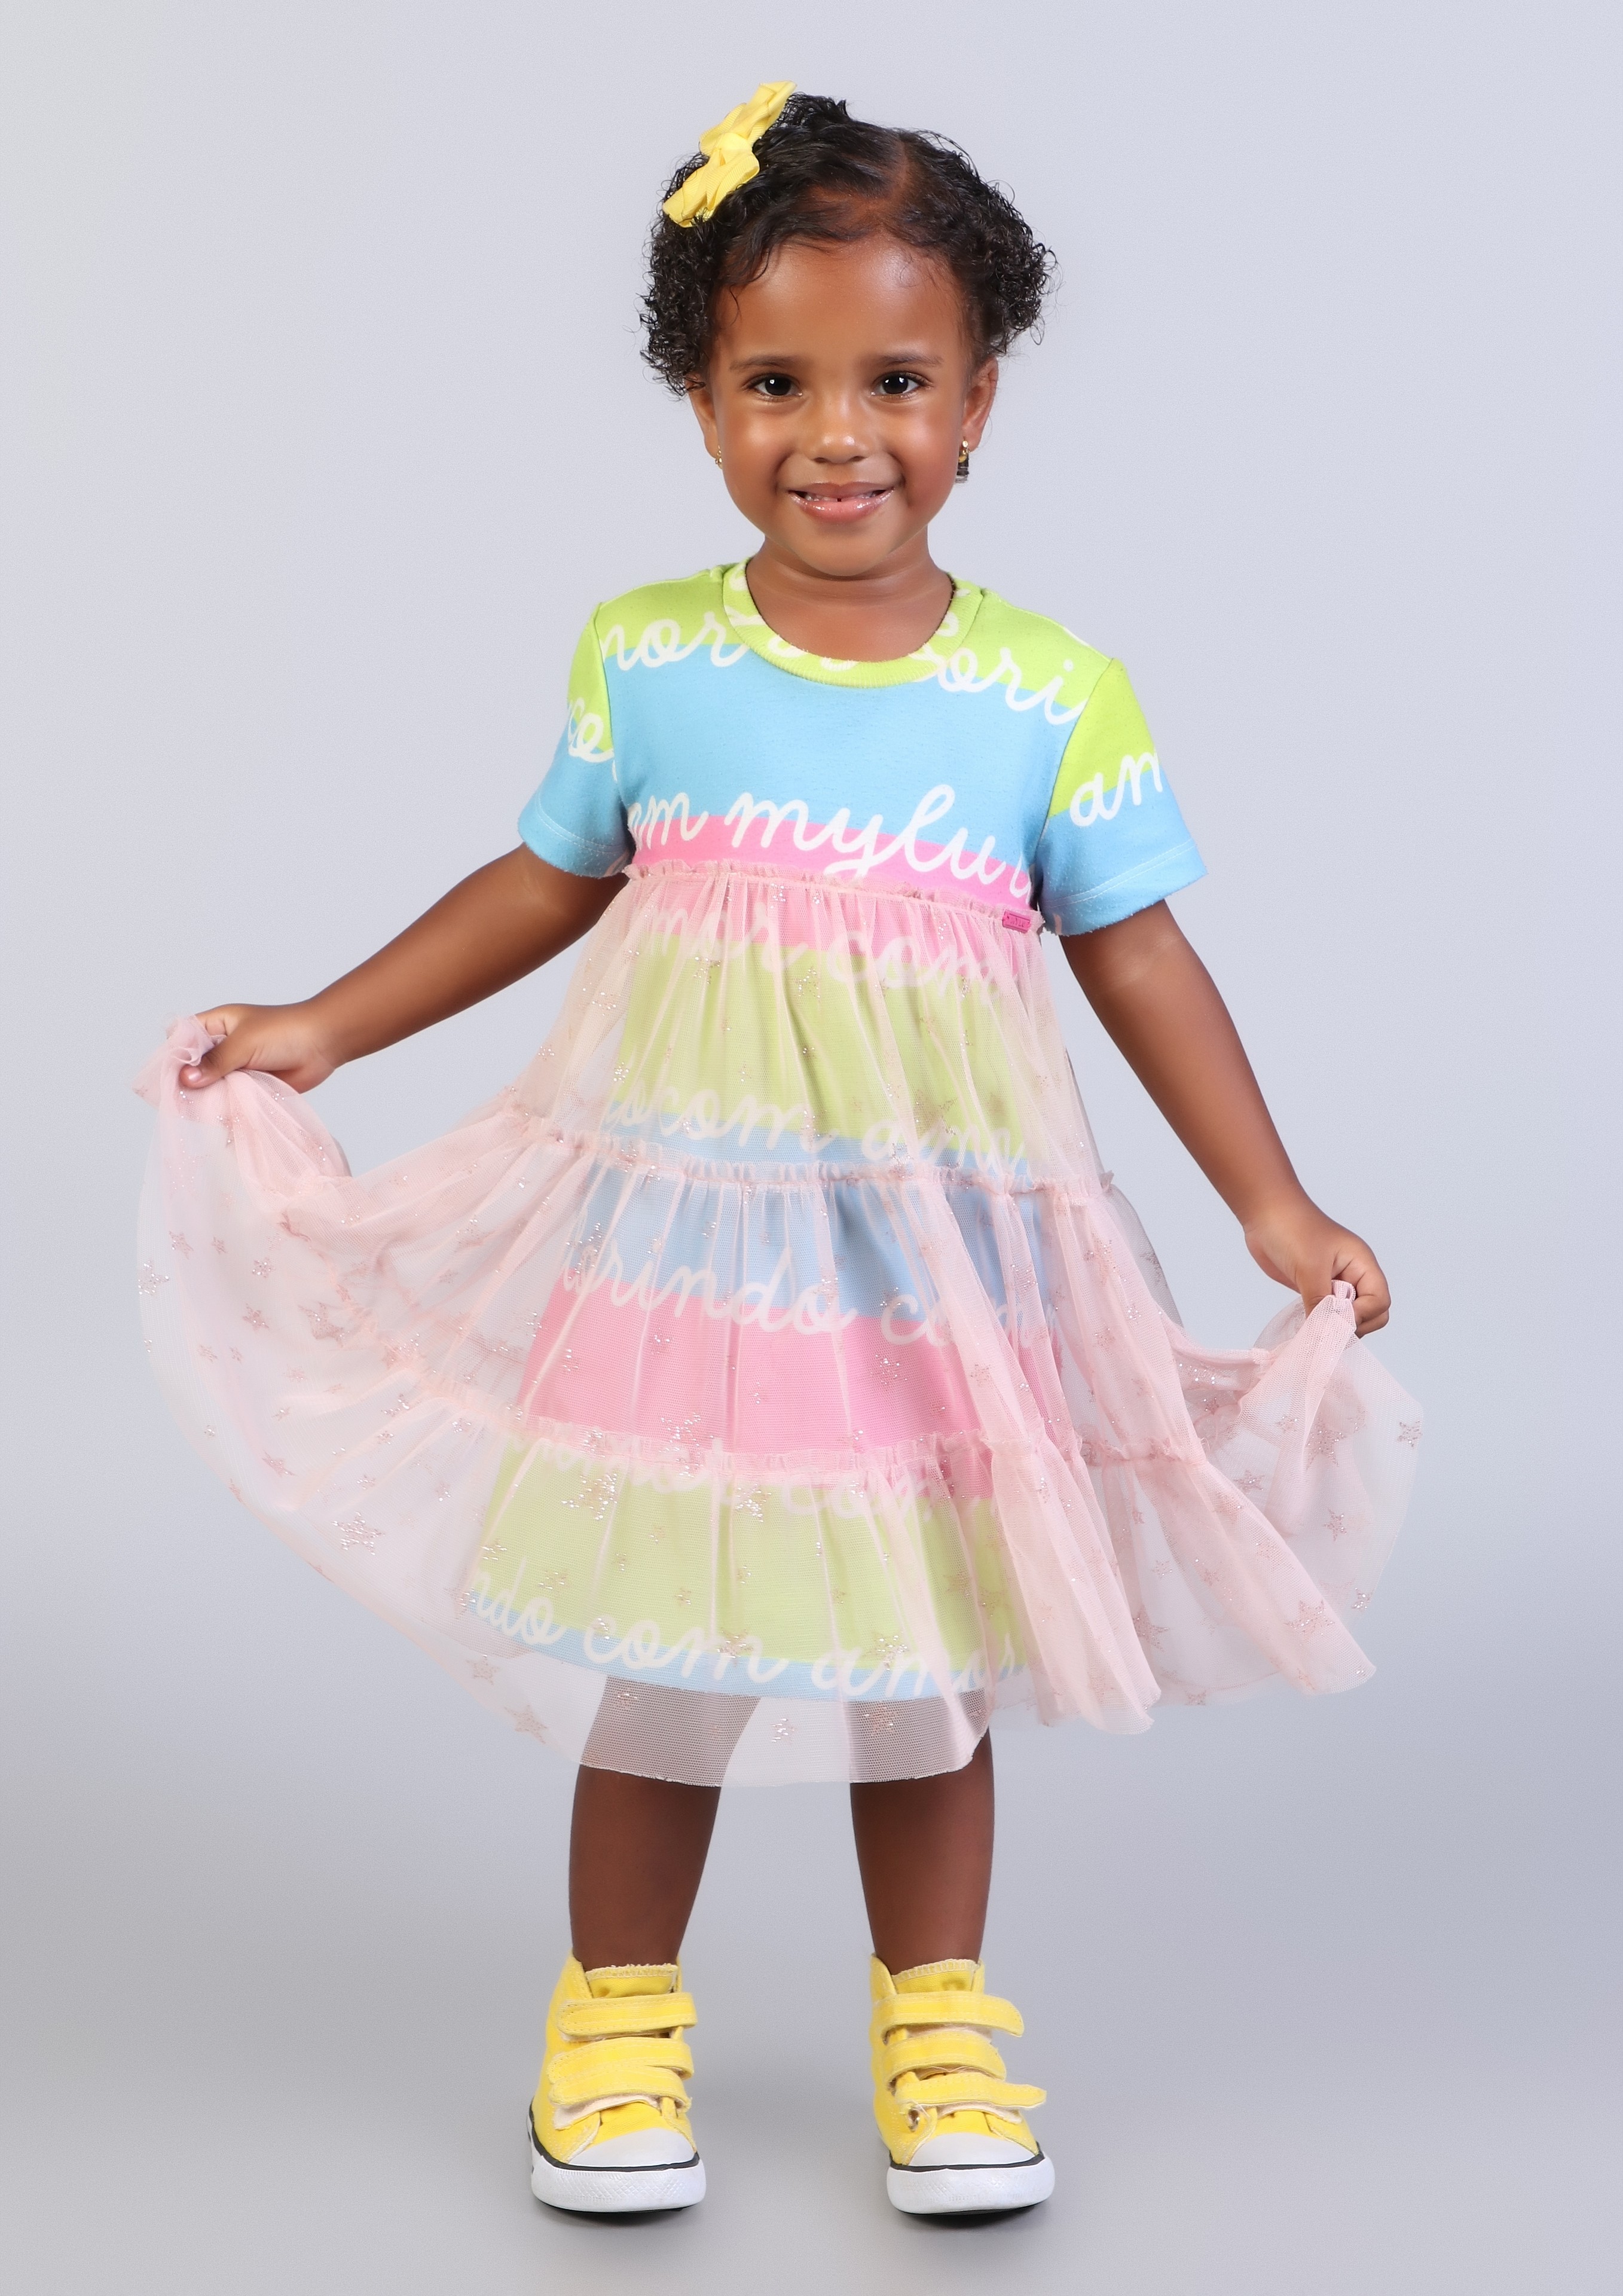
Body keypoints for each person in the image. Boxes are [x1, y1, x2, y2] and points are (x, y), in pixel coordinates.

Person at [137, 84, 1420, 2219]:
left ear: (980, 401)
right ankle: (614, 2026)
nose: (839, 435)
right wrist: (324, 1026)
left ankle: (939, 2030)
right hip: (692, 1279)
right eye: (775, 384)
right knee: (669, 1663)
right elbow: (542, 880)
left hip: (931, 1285)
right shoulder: (650, 656)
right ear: (702, 401)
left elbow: (1141, 956)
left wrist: (1269, 1207)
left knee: (925, 1665)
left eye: (896, 381)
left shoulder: (1047, 693)